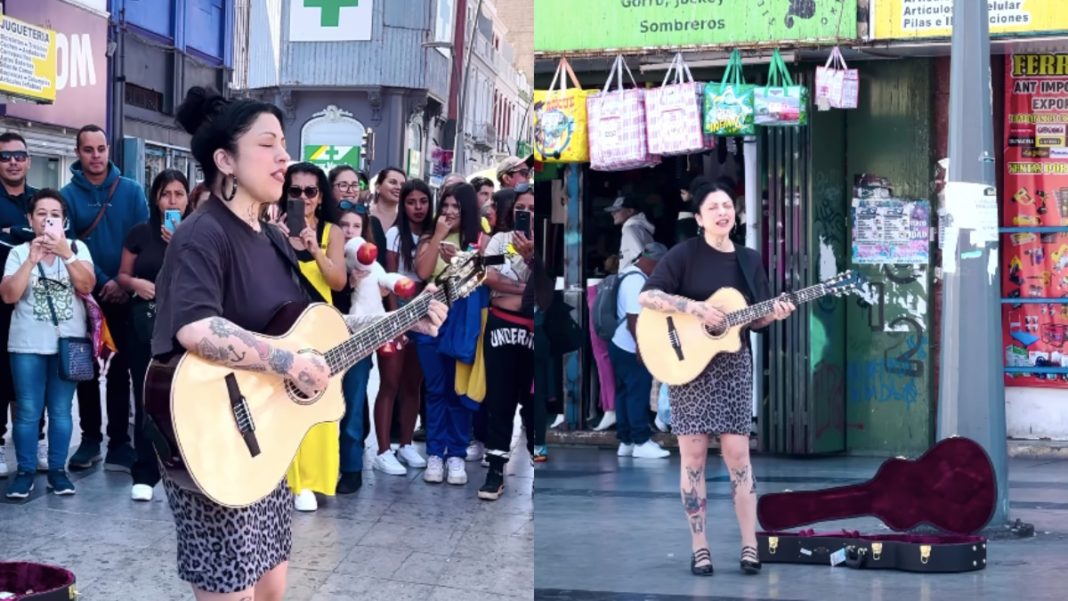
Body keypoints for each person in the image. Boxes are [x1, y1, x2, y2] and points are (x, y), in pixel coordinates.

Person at [155, 86, 446, 600]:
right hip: (211, 432)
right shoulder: (203, 233)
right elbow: (196, 329)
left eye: (284, 144)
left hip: (266, 437)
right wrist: (289, 361)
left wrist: (402, 320)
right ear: (225, 159)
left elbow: (305, 333)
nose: (284, 158)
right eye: (268, 144)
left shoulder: (270, 238)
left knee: (271, 590)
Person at [637, 182, 795, 577]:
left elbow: (753, 318)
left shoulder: (749, 259)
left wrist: (774, 313)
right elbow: (648, 296)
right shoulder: (684, 254)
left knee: (739, 457)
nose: (723, 212)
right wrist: (694, 308)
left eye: (728, 206)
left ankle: (749, 544)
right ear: (700, 218)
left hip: (733, 366)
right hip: (688, 367)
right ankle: (700, 547)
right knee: (692, 458)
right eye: (714, 207)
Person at [61, 123, 149, 473]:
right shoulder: (67, 195)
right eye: (88, 150)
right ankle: (90, 440)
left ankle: (119, 443)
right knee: (84, 370)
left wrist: (122, 283)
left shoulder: (131, 191)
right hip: (85, 296)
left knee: (121, 371)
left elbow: (142, 240)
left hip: (127, 297)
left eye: (101, 149)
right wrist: (101, 281)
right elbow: (68, 248)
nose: (95, 156)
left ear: (108, 151)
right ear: (77, 153)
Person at [1, 189, 96, 499]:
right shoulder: (18, 253)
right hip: (26, 345)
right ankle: (26, 471)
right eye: (41, 213)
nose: (47, 219)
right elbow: (8, 295)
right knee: (27, 411)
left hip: (68, 345)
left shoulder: (78, 249)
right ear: (30, 219)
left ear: (64, 220)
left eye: (54, 214)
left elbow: (86, 284)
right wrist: (31, 260)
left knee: (61, 411)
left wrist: (65, 253)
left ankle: (57, 470)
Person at [274, 162, 347, 512]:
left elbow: (338, 282)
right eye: (295, 191)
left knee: (319, 403)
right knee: (280, 404)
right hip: (281, 326)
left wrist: (314, 250)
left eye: (310, 191)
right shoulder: (269, 227)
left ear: (320, 197)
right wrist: (273, 237)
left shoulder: (332, 231)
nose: (302, 198)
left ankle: (313, 480)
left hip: (321, 328)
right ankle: (285, 479)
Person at [115, 169, 191, 502]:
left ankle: (185, 468)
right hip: (144, 326)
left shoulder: (195, 233)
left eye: (179, 193)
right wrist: (135, 284)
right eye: (165, 194)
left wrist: (179, 245)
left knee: (185, 397)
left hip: (185, 328)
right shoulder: (139, 233)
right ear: (155, 198)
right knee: (145, 396)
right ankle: (145, 470)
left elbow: (203, 277)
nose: (172, 200)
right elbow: (122, 274)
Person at [413, 182, 481, 485]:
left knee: (458, 388)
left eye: (457, 206)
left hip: (462, 320)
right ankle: (435, 454)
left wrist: (459, 259)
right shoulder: (429, 236)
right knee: (436, 387)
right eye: (447, 205)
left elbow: (486, 279)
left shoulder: (481, 239)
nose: (451, 211)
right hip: (430, 316)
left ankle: (456, 453)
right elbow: (422, 272)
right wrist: (438, 235)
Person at [478, 183, 535, 500]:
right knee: (499, 399)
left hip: (534, 330)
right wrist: (524, 292)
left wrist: (531, 260)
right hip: (502, 324)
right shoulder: (501, 240)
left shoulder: (547, 239)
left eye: (531, 208)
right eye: (521, 207)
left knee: (532, 404)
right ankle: (495, 470)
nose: (525, 213)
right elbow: (489, 278)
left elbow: (547, 285)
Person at [372, 179, 432, 476]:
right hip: (398, 316)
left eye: (423, 201)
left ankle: (406, 443)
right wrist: (396, 321)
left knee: (413, 384)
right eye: (411, 202)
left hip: (425, 315)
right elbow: (392, 279)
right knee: (390, 384)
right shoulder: (396, 234)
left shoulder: (433, 234)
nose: (418, 208)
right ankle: (383, 450)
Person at [0, 132, 46, 475]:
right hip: (1, 301)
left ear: (29, 161)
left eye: (19, 155)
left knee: (32, 376)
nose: (13, 161)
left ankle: (36, 443)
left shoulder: (39, 201)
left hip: (35, 302)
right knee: (1, 377)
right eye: (5, 156)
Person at [609, 242, 671, 460]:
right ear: (653, 262)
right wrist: (642, 346)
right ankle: (641, 441)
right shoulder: (636, 280)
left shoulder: (628, 273)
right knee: (637, 393)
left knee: (624, 393)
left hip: (619, 344)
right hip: (630, 346)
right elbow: (634, 319)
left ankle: (626, 441)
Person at [334, 205, 375, 493]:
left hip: (359, 340)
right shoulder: (328, 260)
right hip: (327, 335)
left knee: (354, 403)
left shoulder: (370, 264)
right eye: (344, 225)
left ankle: (351, 468)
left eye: (356, 226)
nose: (349, 231)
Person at [368, 167, 407, 269]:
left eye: (402, 185)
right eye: (393, 182)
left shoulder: (406, 220)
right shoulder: (364, 215)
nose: (398, 187)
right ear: (378, 187)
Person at [606, 193, 655, 268]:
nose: (613, 214)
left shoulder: (631, 230)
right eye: (612, 211)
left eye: (617, 210)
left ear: (630, 211)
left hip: (633, 279)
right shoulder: (640, 228)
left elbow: (640, 259)